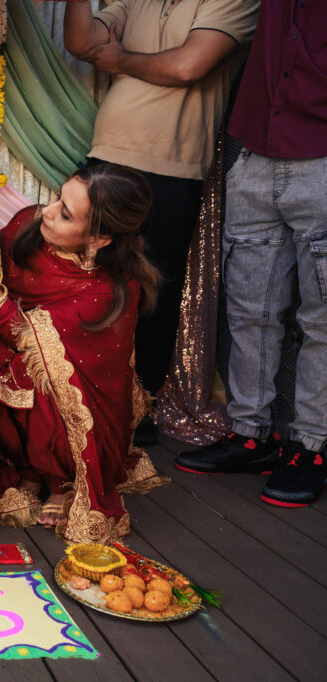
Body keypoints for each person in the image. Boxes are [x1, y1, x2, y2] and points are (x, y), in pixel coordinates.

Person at [0, 163, 168, 544]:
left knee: (49, 372)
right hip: (4, 346)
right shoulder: (28, 226)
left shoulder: (107, 291)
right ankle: (26, 468)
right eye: (56, 197)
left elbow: (22, 333)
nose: (47, 211)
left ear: (98, 240)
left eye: (64, 213)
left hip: (64, 389)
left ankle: (59, 476)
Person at [63, 0, 258, 443]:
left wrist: (122, 61)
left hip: (172, 167)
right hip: (106, 156)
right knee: (88, 281)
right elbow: (82, 42)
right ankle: (81, 397)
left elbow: (190, 64)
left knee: (152, 294)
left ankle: (138, 409)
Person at [175, 2, 327, 508]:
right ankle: (251, 435)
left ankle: (311, 447)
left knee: (322, 321)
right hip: (257, 152)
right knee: (248, 308)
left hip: (322, 158)